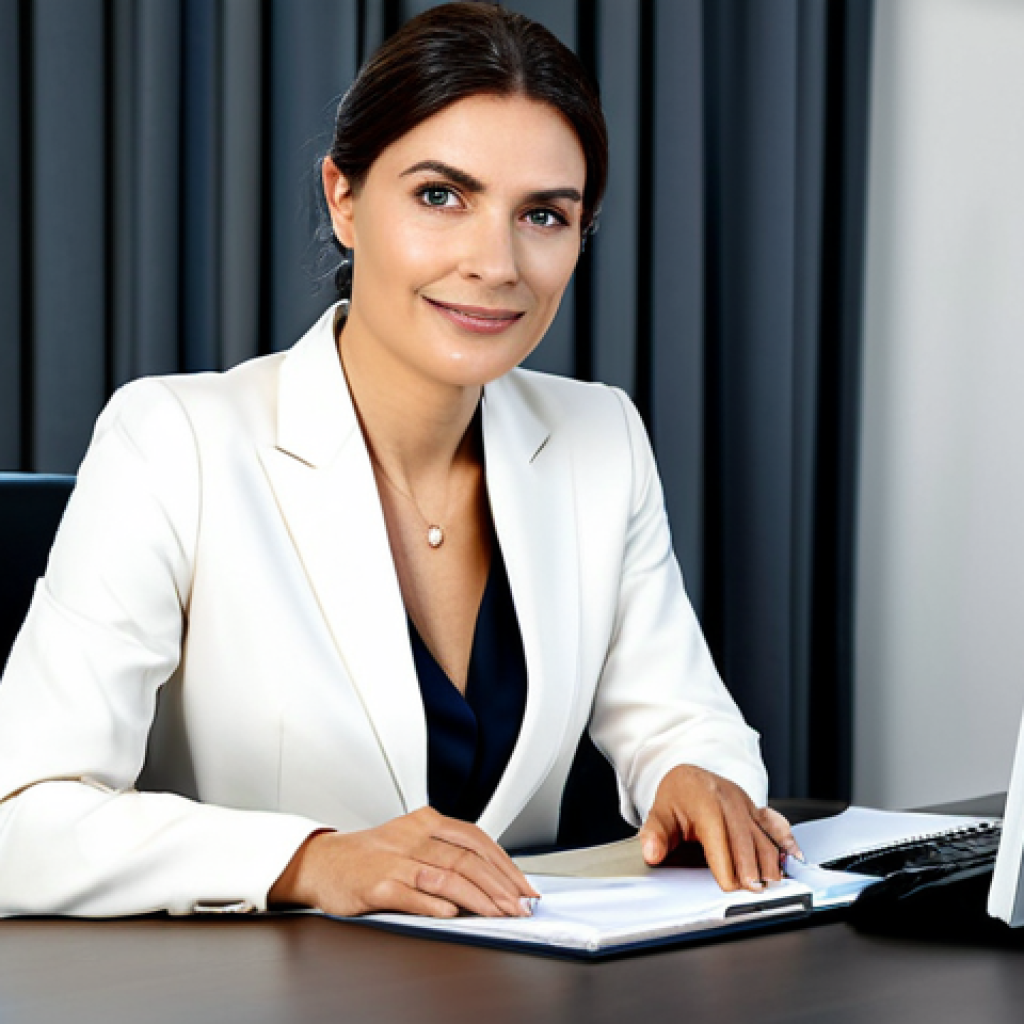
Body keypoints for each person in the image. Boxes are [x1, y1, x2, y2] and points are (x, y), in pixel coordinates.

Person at [0, 2, 798, 921]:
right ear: (343, 198)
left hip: (511, 988)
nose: (496, 262)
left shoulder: (599, 437)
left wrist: (698, 775)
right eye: (440, 196)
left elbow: (682, 717)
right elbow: (25, 817)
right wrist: (310, 860)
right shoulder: (172, 439)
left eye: (542, 214)